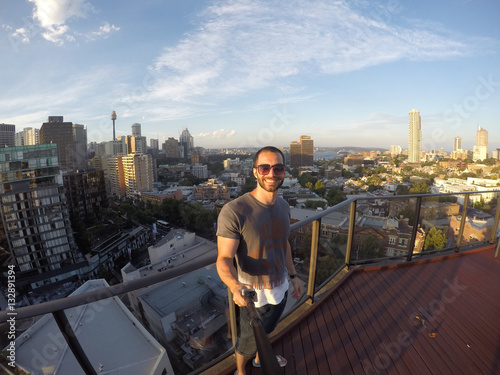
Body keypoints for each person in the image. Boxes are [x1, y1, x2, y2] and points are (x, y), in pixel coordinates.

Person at [216, 146, 303, 375]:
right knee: (246, 341)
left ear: (284, 172)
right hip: (254, 296)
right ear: (255, 172)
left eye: (278, 168)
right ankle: (241, 371)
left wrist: (293, 277)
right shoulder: (235, 211)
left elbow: (283, 244)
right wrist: (235, 287)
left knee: (268, 330)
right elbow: (224, 258)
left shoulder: (284, 206)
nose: (271, 174)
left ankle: (258, 358)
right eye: (265, 168)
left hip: (280, 287)